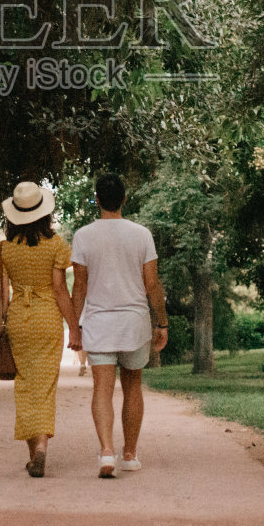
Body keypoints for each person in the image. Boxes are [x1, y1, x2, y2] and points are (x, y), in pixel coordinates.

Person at [70, 173, 167, 478]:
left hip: (99, 323)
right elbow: (152, 284)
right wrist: (162, 322)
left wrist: (75, 327)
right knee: (133, 387)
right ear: (125, 198)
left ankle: (106, 453)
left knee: (101, 389)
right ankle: (130, 453)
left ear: (96, 200)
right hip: (134, 322)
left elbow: (80, 286)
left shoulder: (83, 236)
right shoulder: (141, 235)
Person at [0, 180, 82, 477]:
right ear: (44, 214)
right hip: (47, 319)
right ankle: (41, 448)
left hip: (18, 319)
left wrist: (2, 328)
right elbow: (59, 290)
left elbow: (2, 295)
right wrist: (74, 328)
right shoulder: (56, 245)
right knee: (44, 386)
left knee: (25, 385)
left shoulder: (3, 250)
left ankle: (33, 455)